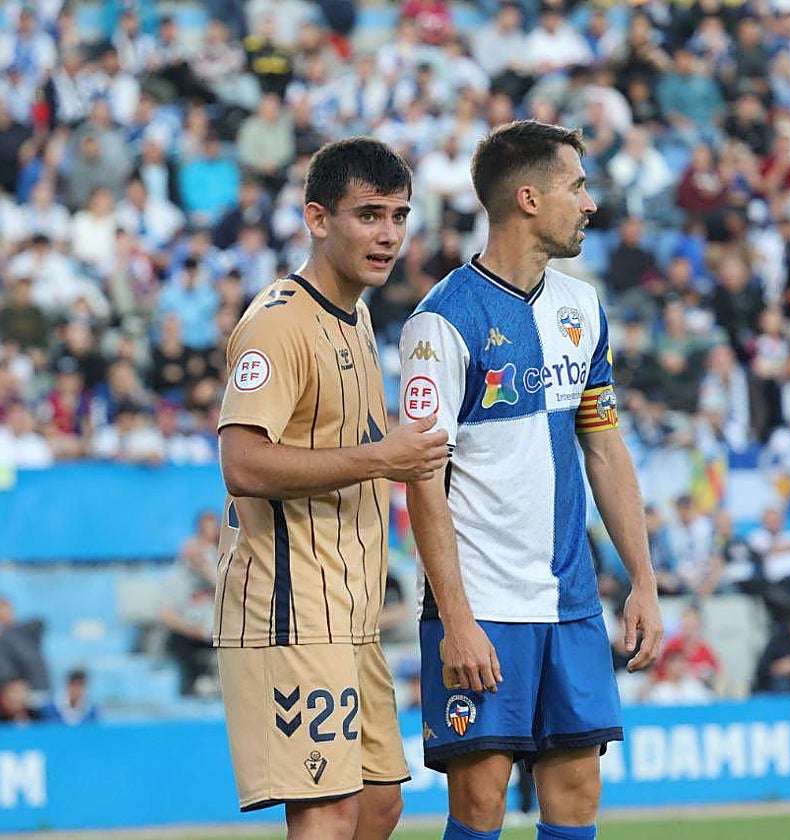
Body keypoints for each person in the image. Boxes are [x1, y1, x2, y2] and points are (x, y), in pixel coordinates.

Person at [398, 121, 663, 840]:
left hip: (571, 602)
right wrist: (456, 619)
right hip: (483, 603)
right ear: (526, 199)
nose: (589, 203)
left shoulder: (582, 309)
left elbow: (604, 449)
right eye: (576, 186)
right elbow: (422, 481)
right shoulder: (441, 324)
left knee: (577, 791)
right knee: (481, 803)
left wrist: (642, 579)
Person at [214, 137, 449, 840]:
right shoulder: (279, 322)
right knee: (328, 811)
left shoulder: (357, 314)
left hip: (351, 607)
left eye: (399, 215)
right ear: (318, 219)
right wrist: (382, 457)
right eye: (368, 214)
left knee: (380, 805)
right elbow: (243, 464)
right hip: (289, 599)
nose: (388, 235)